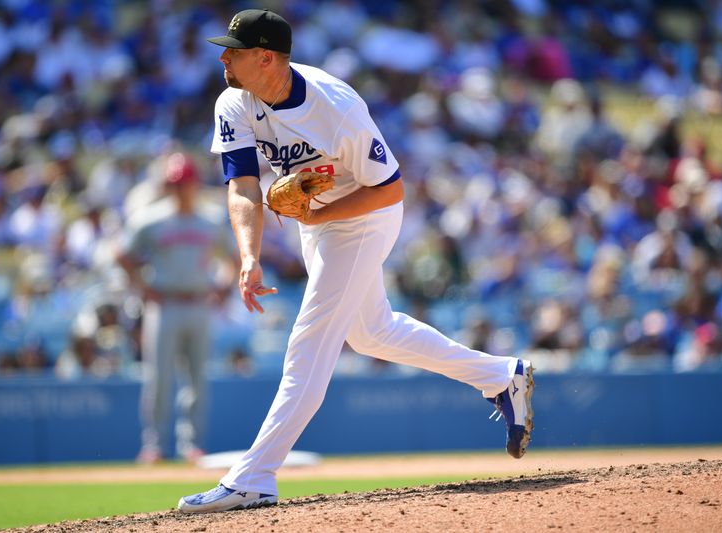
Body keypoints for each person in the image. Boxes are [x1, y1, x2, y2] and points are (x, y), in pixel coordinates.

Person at [178, 9, 535, 514]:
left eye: (232, 50)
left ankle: (253, 477)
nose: (223, 57)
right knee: (372, 333)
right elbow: (242, 185)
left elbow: (389, 189)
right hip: (319, 224)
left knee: (311, 340)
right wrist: (250, 256)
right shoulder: (234, 100)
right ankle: (502, 375)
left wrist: (316, 210)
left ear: (265, 57)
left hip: (366, 215)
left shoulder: (334, 105)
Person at [116, 152, 217, 464]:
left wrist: (224, 287)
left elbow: (234, 255)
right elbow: (121, 254)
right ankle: (154, 445)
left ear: (194, 184)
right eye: (174, 184)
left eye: (184, 183)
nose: (179, 189)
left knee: (197, 378)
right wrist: (142, 287)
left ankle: (191, 445)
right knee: (158, 378)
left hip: (199, 303)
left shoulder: (209, 219)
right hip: (165, 303)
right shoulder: (151, 218)